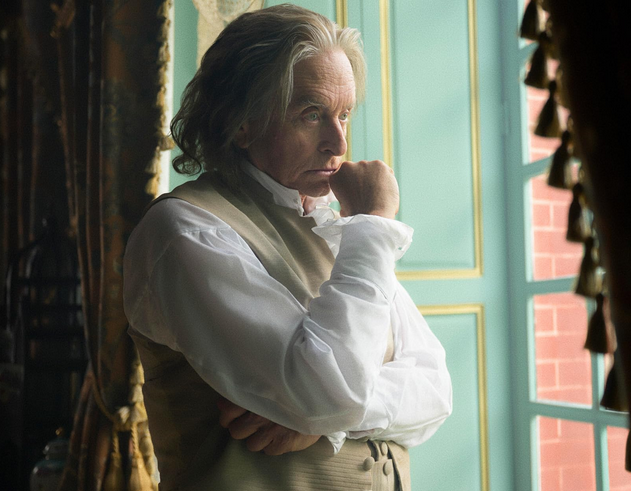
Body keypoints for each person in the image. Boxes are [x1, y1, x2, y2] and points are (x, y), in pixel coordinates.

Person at [123, 4, 452, 490]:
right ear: (240, 122)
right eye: (311, 114)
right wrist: (373, 223)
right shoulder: (184, 232)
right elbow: (329, 393)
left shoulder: (333, 225)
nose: (338, 143)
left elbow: (436, 392)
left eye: (344, 115)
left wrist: (324, 421)